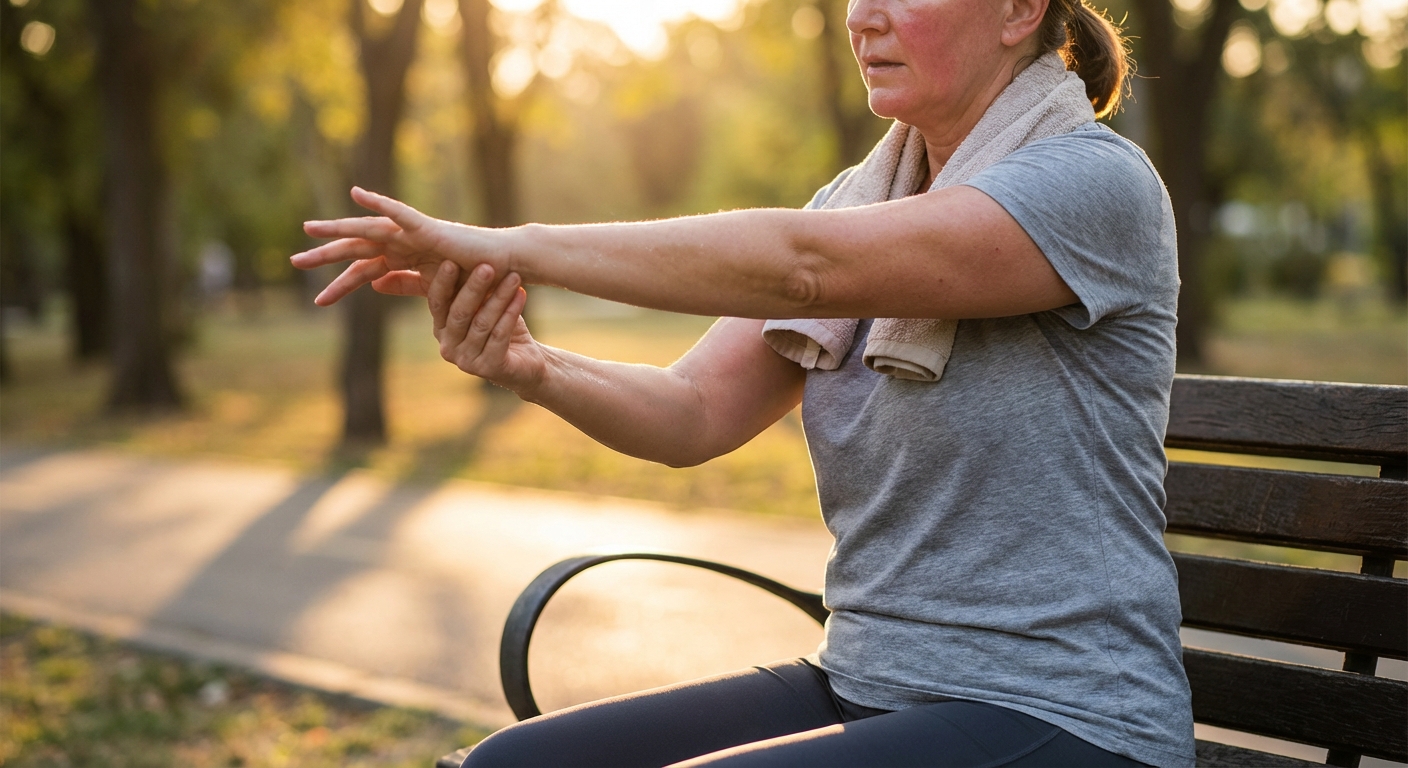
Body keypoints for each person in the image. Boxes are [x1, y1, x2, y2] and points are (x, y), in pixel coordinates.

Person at [290, 0, 1194, 763]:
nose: (863, 18)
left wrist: (504, 244)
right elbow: (693, 413)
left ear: (1020, 10)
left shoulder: (1092, 184)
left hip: (1071, 714)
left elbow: (804, 269)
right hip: (867, 676)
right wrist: (534, 366)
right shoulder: (858, 201)